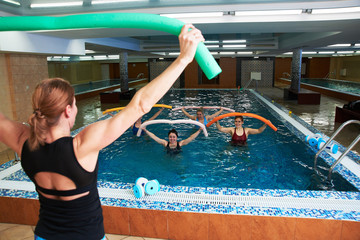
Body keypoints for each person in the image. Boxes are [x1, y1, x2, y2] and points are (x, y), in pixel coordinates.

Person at [0, 24, 204, 240]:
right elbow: (141, 105)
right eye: (75, 103)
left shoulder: (23, 142)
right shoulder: (82, 146)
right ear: (68, 110)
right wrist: (184, 59)